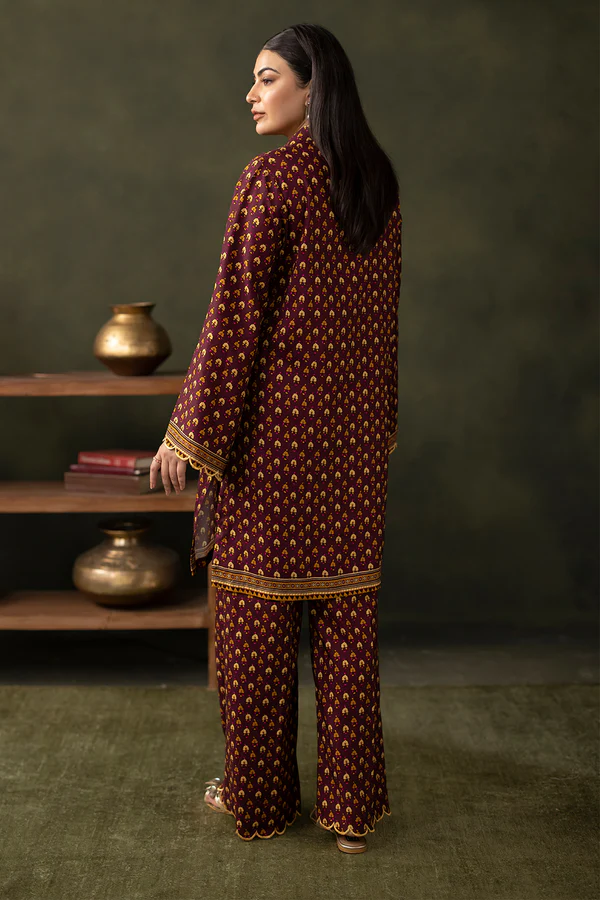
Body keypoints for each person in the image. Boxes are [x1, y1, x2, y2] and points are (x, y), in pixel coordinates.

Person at [150, 23, 401, 853]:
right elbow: (383, 328)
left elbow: (234, 320)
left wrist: (188, 435)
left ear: (311, 85)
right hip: (352, 454)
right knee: (346, 631)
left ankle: (257, 801)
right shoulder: (377, 181)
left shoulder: (270, 179)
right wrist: (378, 433)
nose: (251, 95)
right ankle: (353, 817)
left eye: (266, 78)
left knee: (256, 631)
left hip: (274, 455)